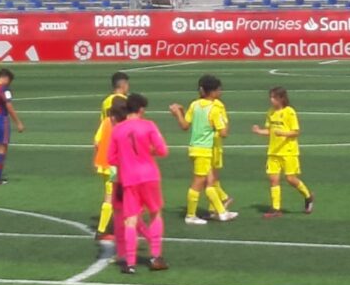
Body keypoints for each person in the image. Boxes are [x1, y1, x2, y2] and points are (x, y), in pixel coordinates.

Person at [107, 93, 170, 274]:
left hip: (129, 178)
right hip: (150, 176)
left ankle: (130, 262)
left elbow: (111, 158)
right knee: (155, 214)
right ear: (141, 109)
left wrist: (126, 157)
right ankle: (155, 256)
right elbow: (163, 150)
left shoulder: (117, 129)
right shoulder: (149, 125)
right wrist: (148, 151)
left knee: (130, 220)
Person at [169, 74, 237, 224]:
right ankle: (191, 215)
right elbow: (224, 133)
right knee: (200, 182)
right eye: (219, 90)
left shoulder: (194, 104)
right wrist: (223, 123)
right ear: (212, 92)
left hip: (194, 148)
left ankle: (222, 211)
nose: (220, 92)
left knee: (209, 181)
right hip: (204, 149)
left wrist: (178, 113)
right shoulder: (214, 109)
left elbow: (185, 126)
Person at [252, 87, 314, 218]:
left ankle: (308, 196)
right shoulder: (270, 112)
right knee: (273, 180)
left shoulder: (289, 112)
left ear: (281, 98)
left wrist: (283, 133)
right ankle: (276, 208)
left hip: (288, 151)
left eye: (273, 97)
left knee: (291, 179)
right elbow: (269, 131)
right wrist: (259, 131)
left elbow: (296, 132)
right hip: (273, 151)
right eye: (270, 97)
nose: (271, 100)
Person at [93, 97, 128, 251]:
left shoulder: (106, 121)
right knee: (112, 197)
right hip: (113, 166)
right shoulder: (121, 125)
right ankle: (102, 230)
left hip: (103, 164)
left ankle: (112, 227)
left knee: (113, 195)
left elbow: (96, 141)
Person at [0, 68, 25, 185]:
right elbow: (9, 106)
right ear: (6, 78)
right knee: (3, 147)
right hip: (1, 119)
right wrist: (18, 122)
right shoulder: (4, 88)